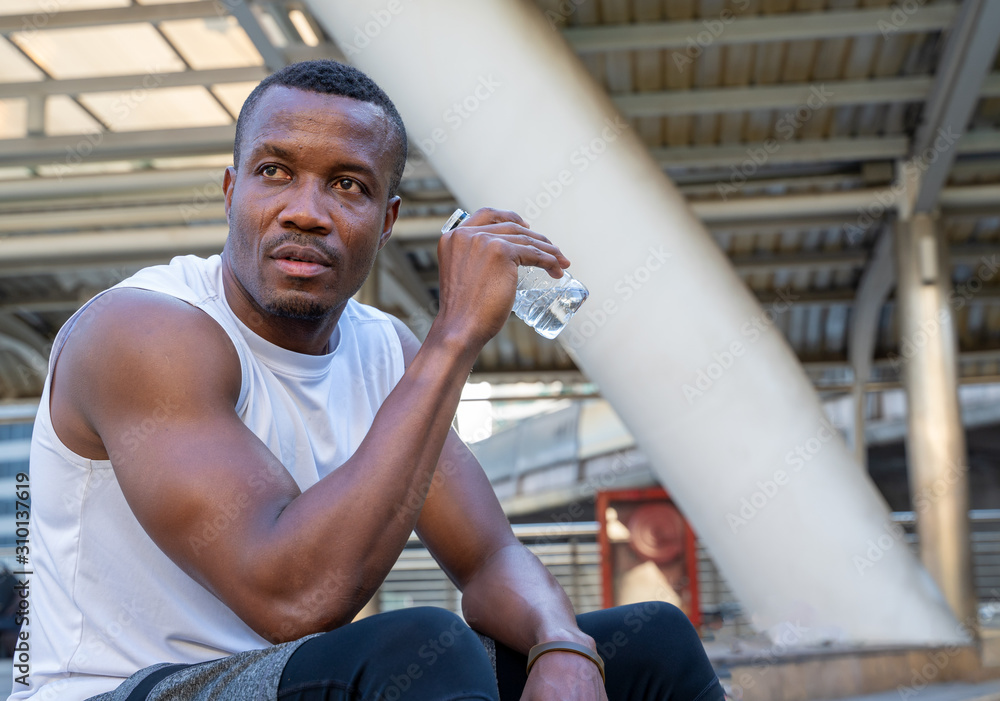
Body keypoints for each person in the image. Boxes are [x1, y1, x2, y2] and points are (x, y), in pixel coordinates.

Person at [12, 60, 724, 701]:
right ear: (231, 191)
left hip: (297, 680)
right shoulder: (143, 332)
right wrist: (454, 337)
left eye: (346, 184)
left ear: (385, 221)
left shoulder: (384, 350)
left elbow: (488, 556)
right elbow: (290, 596)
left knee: (649, 642)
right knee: (422, 648)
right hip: (122, 691)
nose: (306, 211)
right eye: (275, 172)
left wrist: (562, 647)